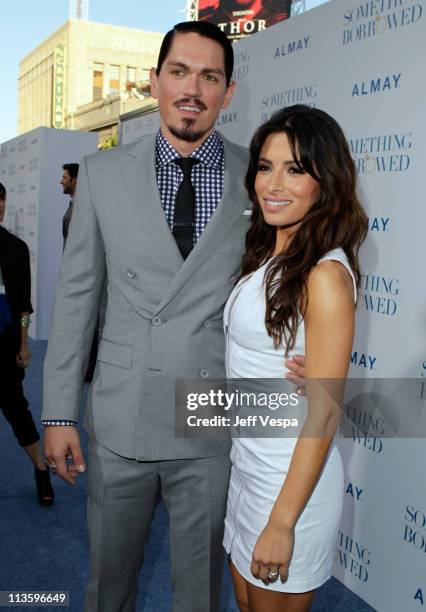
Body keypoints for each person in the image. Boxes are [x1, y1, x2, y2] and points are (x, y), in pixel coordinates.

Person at [42, 21, 304, 612]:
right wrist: (58, 412)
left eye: (210, 76)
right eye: (180, 72)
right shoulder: (103, 174)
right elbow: (78, 298)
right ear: (155, 82)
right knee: (109, 588)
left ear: (228, 92)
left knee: (199, 595)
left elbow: (285, 279)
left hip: (210, 417)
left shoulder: (259, 176)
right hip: (121, 414)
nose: (193, 89)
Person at [223, 105, 368, 611]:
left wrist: (282, 522)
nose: (273, 184)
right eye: (265, 166)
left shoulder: (324, 276)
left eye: (295, 169)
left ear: (325, 182)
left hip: (289, 490)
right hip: (249, 471)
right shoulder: (273, 253)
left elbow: (326, 410)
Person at [0, 182, 54, 506]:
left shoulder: (15, 249)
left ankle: (40, 468)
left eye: (2, 201)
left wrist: (24, 343)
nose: (0, 207)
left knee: (18, 411)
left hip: (5, 343)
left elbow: (23, 306)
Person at [60, 163, 79, 246]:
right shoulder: (73, 203)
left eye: (64, 178)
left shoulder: (81, 208)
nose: (61, 181)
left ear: (74, 180)